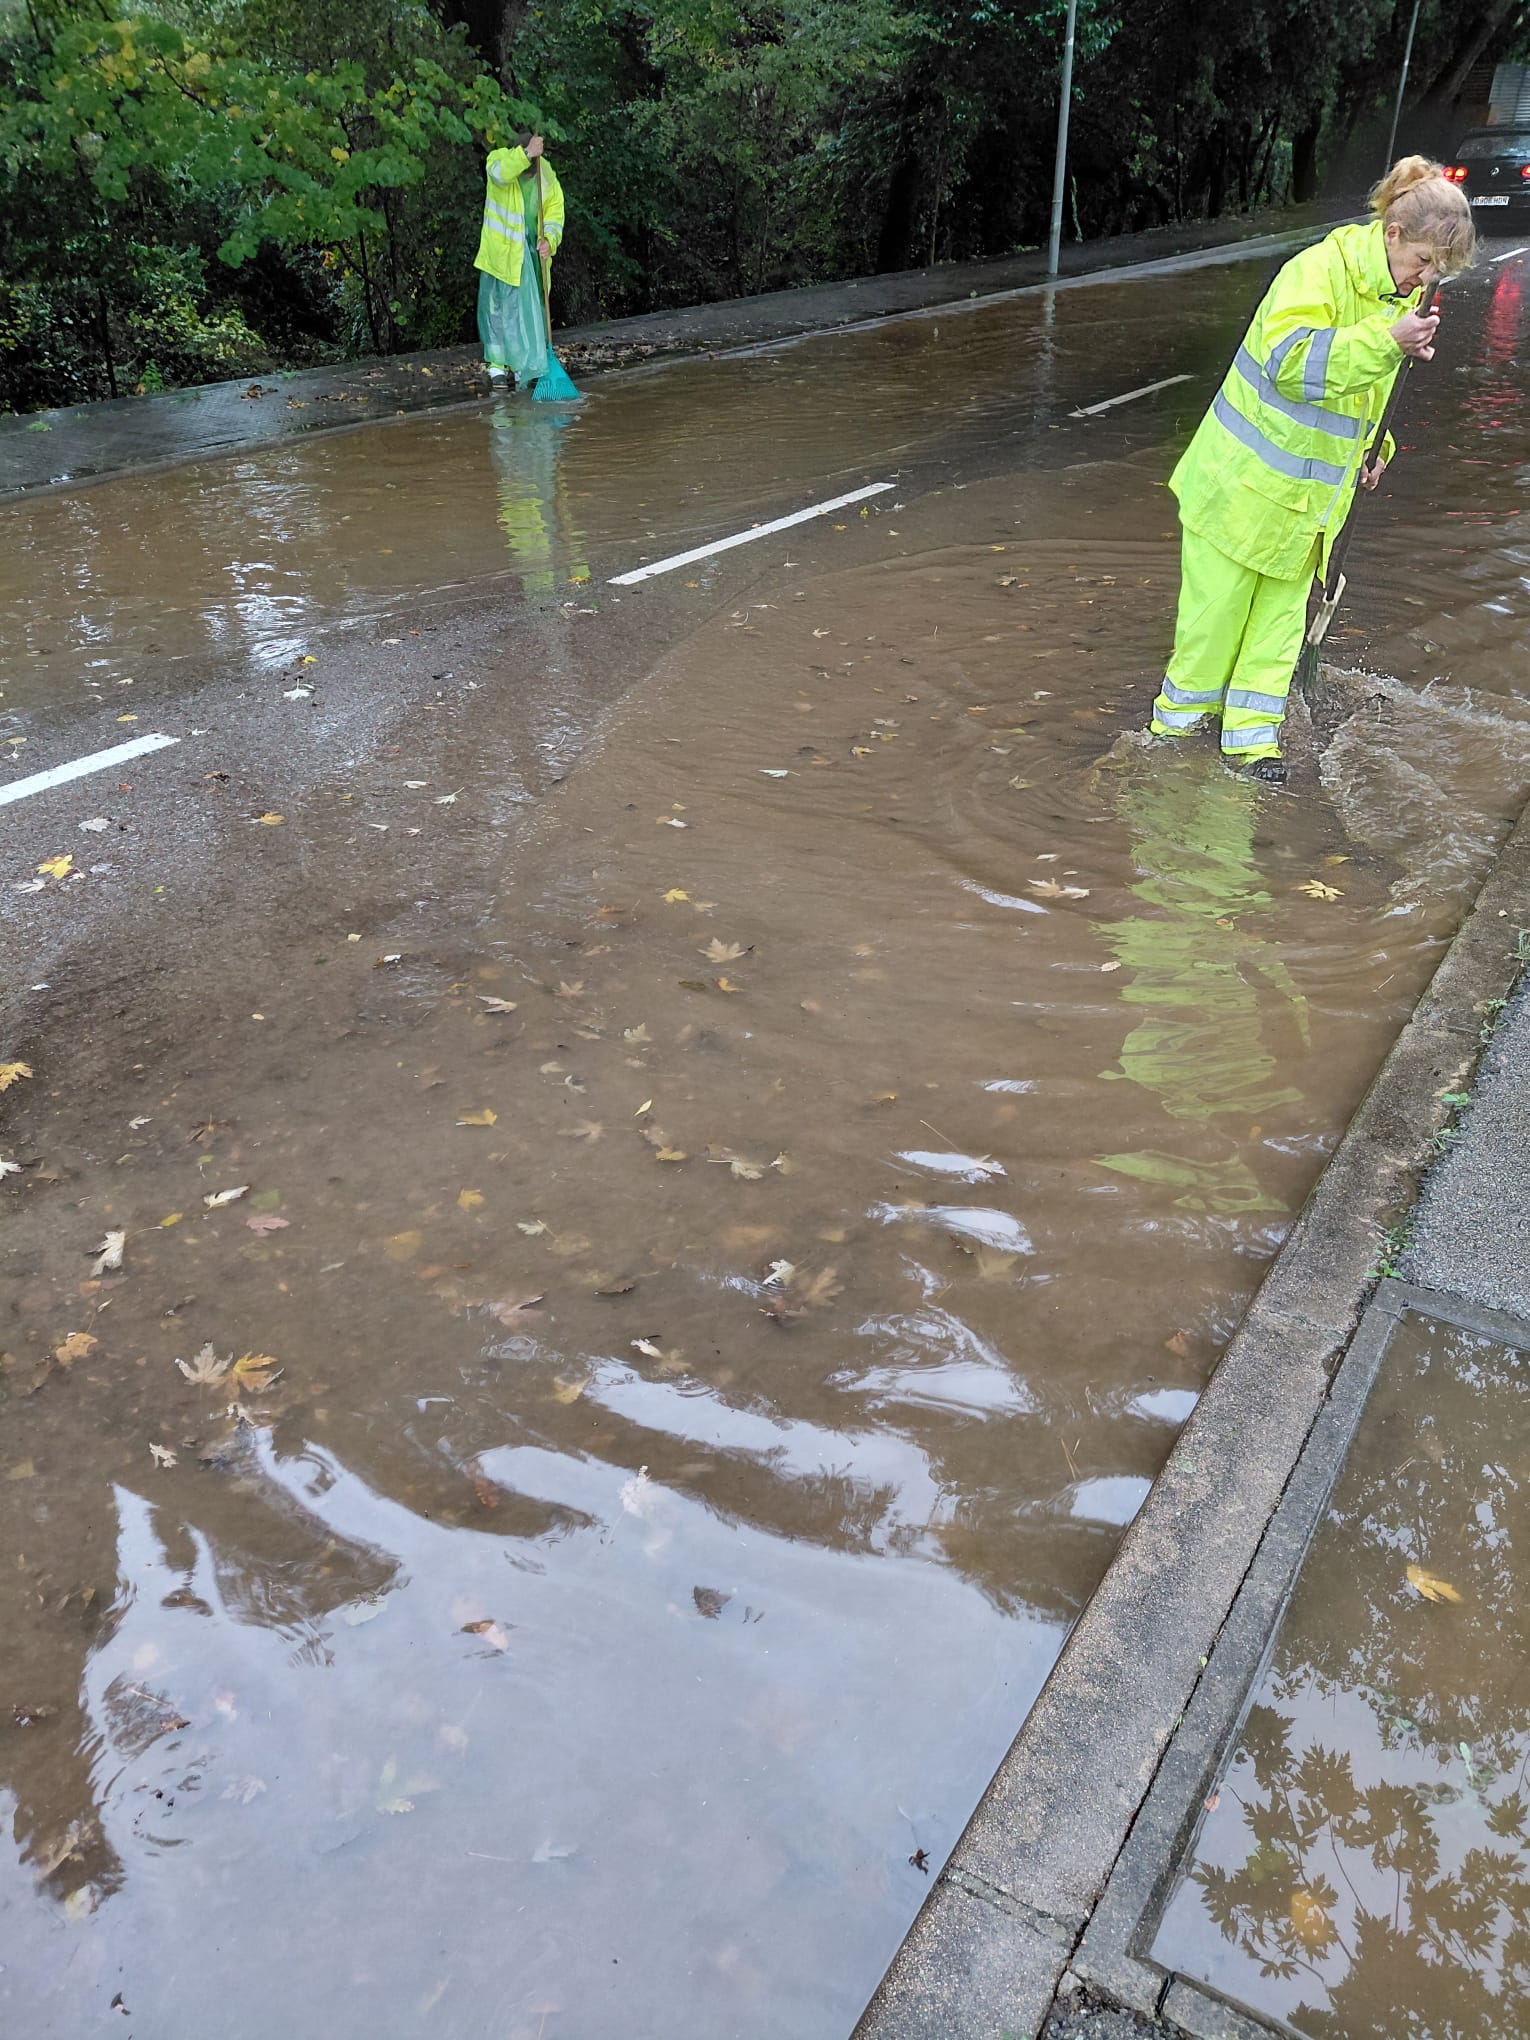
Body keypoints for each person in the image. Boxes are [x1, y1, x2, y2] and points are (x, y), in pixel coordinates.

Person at [1148, 157, 1474, 784]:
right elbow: (1291, 363)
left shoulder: (1395, 296)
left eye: (1440, 271)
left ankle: (1250, 746)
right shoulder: (1317, 272)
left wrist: (1378, 452)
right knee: (1211, 629)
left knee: (1273, 634)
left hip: (1308, 508)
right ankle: (1171, 741)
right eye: (1426, 262)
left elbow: (1361, 402)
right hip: (1241, 495)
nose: (1428, 279)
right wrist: (1387, 343)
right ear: (1393, 234)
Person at [475, 131, 565, 392]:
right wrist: (526, 156)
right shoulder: (498, 160)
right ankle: (497, 366)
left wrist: (549, 239)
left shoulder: (544, 174)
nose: (529, 173)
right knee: (497, 311)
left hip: (531, 259)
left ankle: (522, 365)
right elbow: (501, 173)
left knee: (525, 313)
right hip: (500, 256)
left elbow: (555, 211)